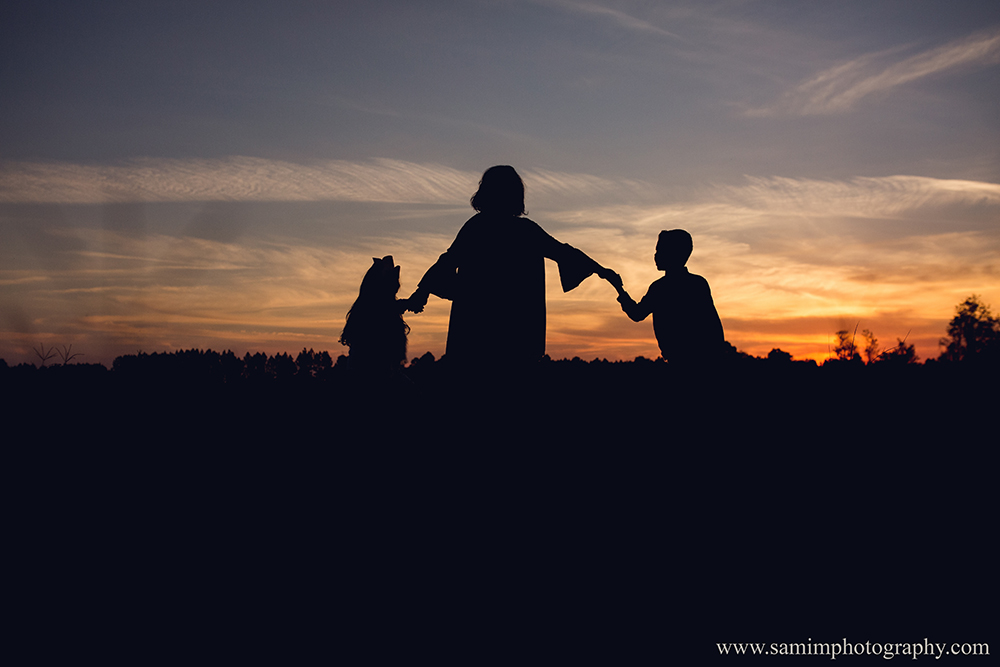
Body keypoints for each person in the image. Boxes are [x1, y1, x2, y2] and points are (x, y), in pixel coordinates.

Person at [408, 165, 616, 372]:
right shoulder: (526, 231)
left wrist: (421, 292)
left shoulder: (476, 227)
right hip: (518, 335)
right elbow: (563, 252)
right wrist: (600, 270)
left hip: (475, 332)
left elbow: (447, 261)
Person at [608, 229, 725, 366]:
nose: (655, 256)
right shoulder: (698, 283)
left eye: (660, 251)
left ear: (673, 254)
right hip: (703, 360)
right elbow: (714, 326)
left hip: (684, 361)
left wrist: (618, 288)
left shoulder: (660, 288)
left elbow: (637, 313)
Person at [340, 255, 412, 381]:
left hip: (368, 373)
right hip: (370, 375)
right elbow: (385, 309)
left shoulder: (368, 307)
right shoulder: (377, 309)